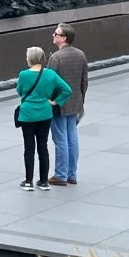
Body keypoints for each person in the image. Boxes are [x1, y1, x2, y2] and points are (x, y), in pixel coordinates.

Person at [15, 47, 72, 191]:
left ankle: (28, 181)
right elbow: (67, 90)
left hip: (27, 115)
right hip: (45, 114)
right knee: (43, 146)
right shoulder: (51, 74)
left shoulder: (23, 74)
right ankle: (43, 181)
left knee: (29, 148)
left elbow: (20, 91)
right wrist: (55, 101)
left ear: (30, 59)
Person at [47, 23, 89, 185]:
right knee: (72, 137)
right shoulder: (80, 55)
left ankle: (61, 174)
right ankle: (72, 173)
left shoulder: (56, 58)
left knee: (60, 139)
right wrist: (80, 100)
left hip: (58, 104)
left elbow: (49, 83)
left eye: (56, 34)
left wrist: (50, 102)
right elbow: (84, 81)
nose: (53, 35)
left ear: (63, 38)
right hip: (75, 102)